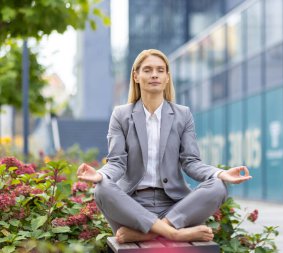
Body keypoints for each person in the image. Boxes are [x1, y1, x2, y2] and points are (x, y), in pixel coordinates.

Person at [77, 49, 251, 244]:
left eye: (160, 70)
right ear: (136, 76)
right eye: (148, 70)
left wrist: (220, 173)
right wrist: (99, 175)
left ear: (167, 77)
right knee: (102, 189)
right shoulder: (121, 115)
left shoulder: (182, 115)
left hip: (175, 206)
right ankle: (174, 233)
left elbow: (191, 162)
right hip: (133, 208)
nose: (154, 75)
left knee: (218, 187)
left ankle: (150, 232)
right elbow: (117, 163)